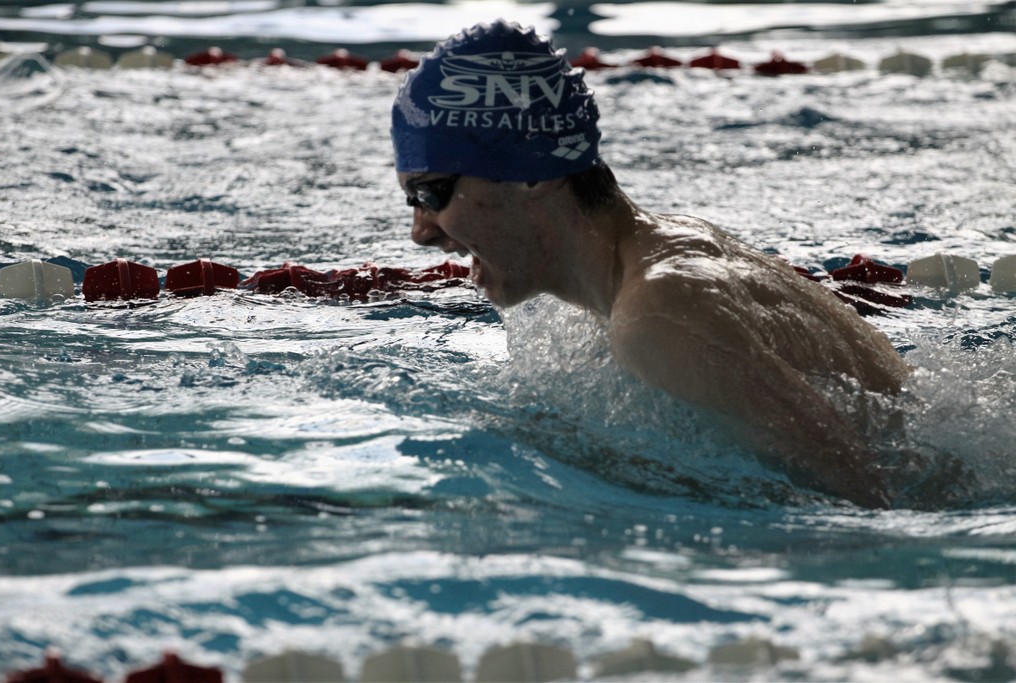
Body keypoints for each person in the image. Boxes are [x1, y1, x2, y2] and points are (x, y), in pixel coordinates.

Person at [390, 20, 912, 508]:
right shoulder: (667, 248)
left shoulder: (659, 315)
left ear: (530, 173)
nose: (421, 232)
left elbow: (867, 503)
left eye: (432, 194)